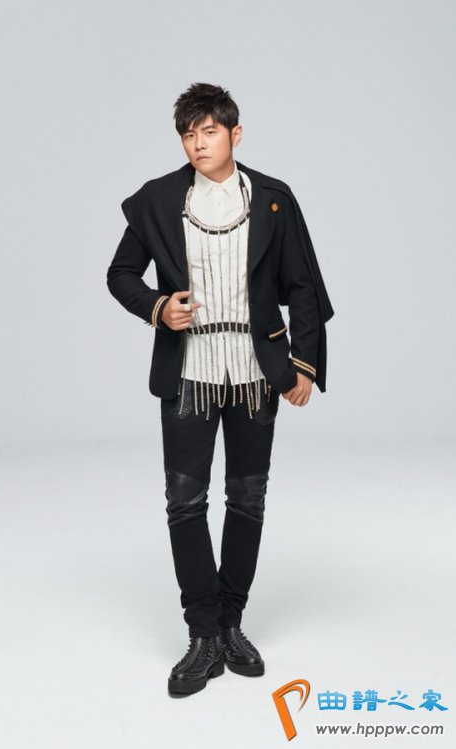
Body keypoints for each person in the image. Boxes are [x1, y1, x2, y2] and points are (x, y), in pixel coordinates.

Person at [106, 82, 334, 696]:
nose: (198, 143)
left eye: (209, 131)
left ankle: (232, 623)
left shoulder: (274, 199)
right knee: (185, 502)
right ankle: (202, 634)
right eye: (188, 134)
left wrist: (305, 364)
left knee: (247, 499)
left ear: (235, 133)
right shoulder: (158, 200)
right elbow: (121, 273)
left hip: (258, 371)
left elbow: (304, 285)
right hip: (188, 371)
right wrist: (158, 307)